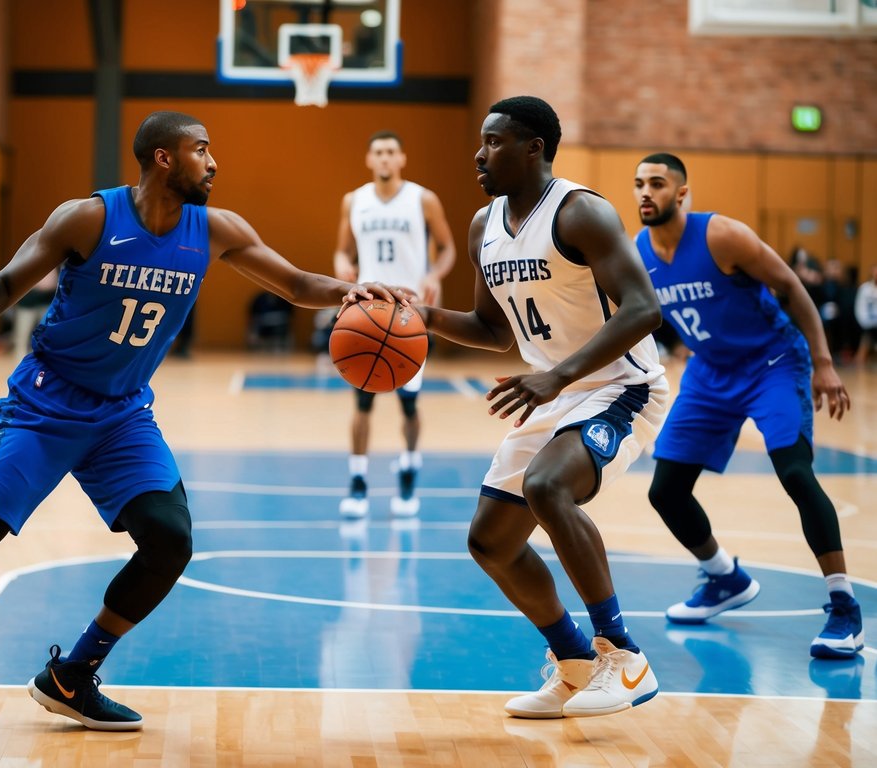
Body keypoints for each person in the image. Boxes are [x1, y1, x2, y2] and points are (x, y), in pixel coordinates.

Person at [0, 110, 401, 744]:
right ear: (164, 159)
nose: (214, 162)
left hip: (121, 415)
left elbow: (297, 283)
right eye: (202, 150)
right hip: (44, 406)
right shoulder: (89, 217)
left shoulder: (216, 229)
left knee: (170, 541)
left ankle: (73, 675)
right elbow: (9, 280)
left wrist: (350, 290)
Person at [416, 96, 667, 718]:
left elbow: (643, 309)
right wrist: (417, 317)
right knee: (490, 542)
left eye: (495, 141)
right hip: (554, 389)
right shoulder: (484, 226)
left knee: (547, 486)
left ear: (534, 148)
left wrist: (557, 376)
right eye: (482, 140)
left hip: (620, 386)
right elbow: (490, 327)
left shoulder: (581, 212)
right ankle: (575, 662)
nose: (480, 153)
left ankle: (625, 658)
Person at [633, 152, 861, 659]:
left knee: (796, 475)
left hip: (773, 361)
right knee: (666, 490)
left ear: (682, 193)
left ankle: (844, 606)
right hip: (710, 371)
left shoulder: (721, 236)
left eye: (658, 183)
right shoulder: (639, 253)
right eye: (639, 184)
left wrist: (823, 362)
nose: (646, 192)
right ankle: (723, 578)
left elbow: (791, 287)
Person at [333, 130, 455, 519]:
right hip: (368, 311)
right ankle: (357, 480)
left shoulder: (423, 199)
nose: (384, 159)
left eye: (390, 152)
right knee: (362, 399)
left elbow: (449, 246)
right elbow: (341, 250)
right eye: (378, 153)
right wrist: (341, 267)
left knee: (409, 403)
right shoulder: (354, 200)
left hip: (409, 313)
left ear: (402, 158)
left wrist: (435, 274)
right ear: (369, 160)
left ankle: (408, 465)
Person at [854, 264, 877, 367]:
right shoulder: (865, 289)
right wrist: (866, 322)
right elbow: (860, 308)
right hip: (868, 323)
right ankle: (860, 359)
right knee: (867, 336)